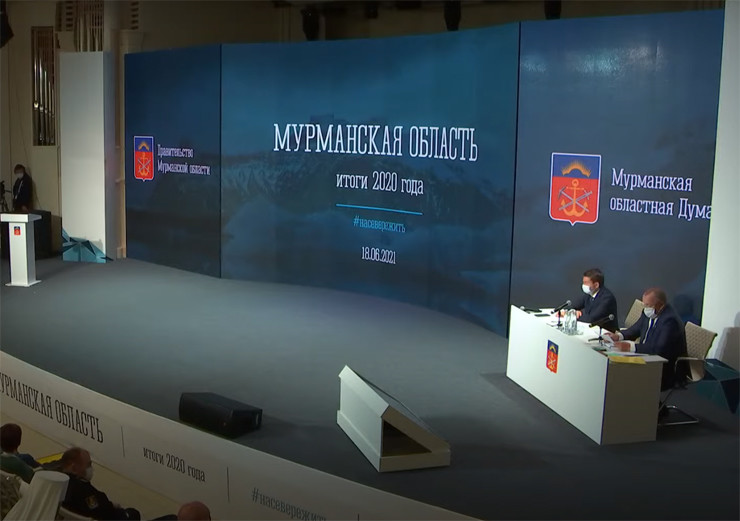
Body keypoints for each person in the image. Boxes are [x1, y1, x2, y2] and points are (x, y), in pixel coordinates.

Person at [605, 287, 687, 391]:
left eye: (648, 305)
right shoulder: (649, 312)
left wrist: (631, 347)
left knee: (623, 374)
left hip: (664, 367)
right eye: (644, 305)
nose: (645, 308)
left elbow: (659, 349)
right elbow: (637, 328)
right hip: (644, 355)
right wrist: (619, 336)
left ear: (660, 305)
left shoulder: (670, 321)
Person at [59, 447, 142, 520]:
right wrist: (111, 505)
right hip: (104, 516)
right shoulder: (83, 491)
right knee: (133, 513)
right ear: (74, 468)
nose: (91, 468)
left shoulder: (58, 483)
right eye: (88, 465)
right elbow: (100, 511)